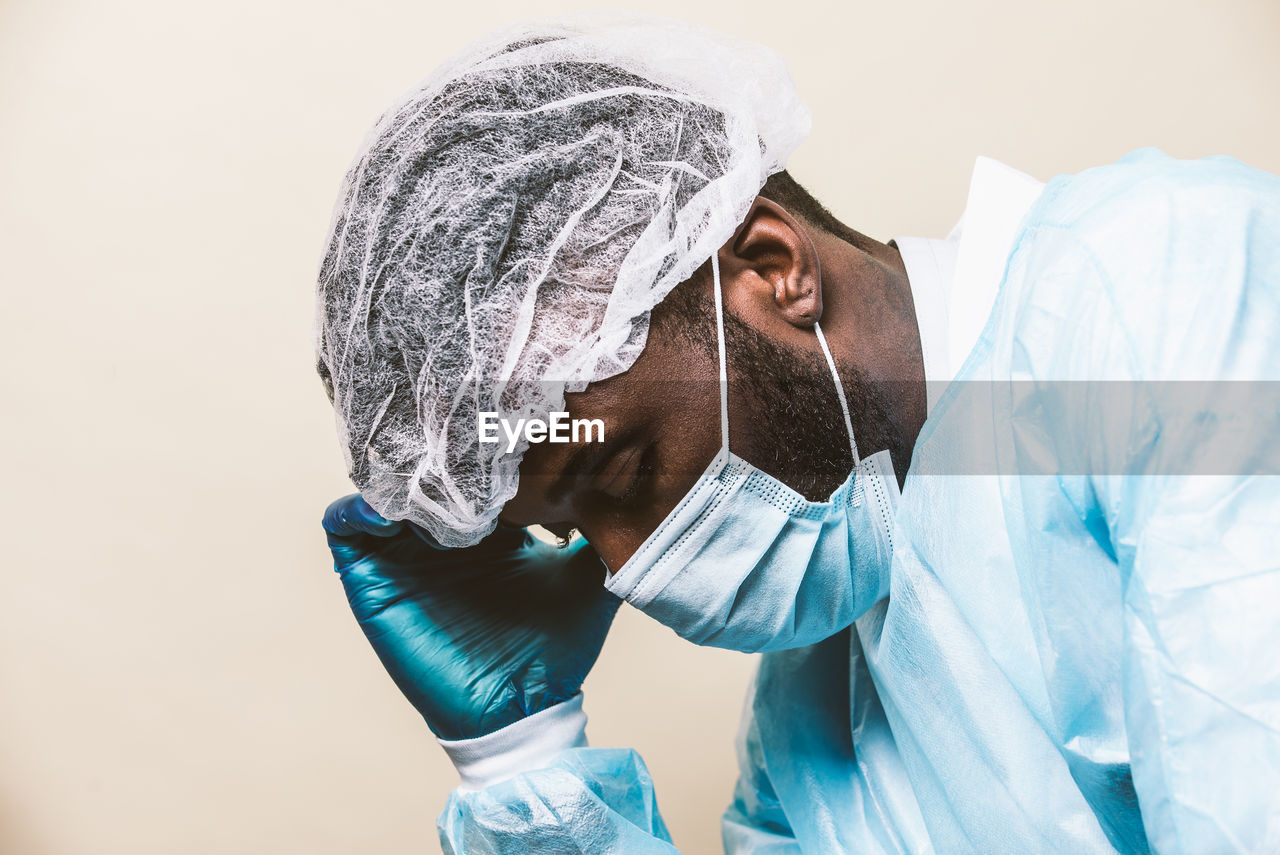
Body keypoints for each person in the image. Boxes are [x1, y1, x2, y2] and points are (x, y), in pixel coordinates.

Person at [314, 13, 1280, 854]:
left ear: (772, 269)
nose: (624, 569)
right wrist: (519, 759)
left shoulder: (1155, 296)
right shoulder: (810, 736)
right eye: (567, 526)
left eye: (614, 472)